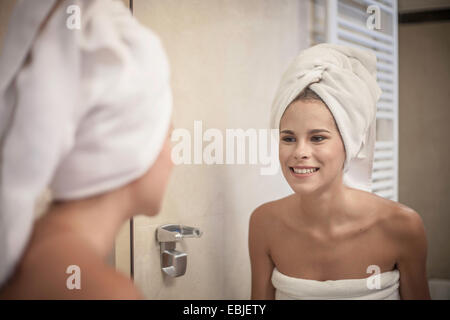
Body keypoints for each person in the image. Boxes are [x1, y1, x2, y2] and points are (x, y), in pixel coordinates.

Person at [0, 0, 173, 299]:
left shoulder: (27, 252)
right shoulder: (106, 293)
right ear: (132, 148)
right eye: (170, 133)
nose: (174, 159)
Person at [249, 43, 430, 300]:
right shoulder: (263, 223)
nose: (300, 152)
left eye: (318, 138)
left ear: (349, 144)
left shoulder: (402, 226)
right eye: (288, 139)